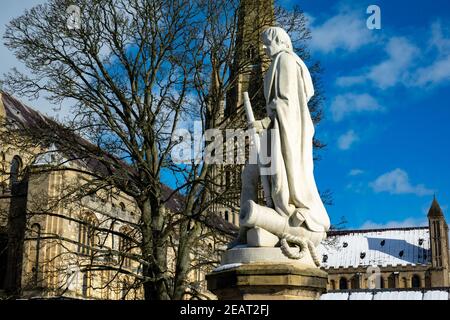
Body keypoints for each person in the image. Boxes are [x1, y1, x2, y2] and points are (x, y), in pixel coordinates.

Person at [237, 27, 330, 247]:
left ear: (280, 41)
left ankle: (283, 217)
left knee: (279, 184)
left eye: (266, 42)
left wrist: (262, 122)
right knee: (249, 176)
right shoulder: (276, 65)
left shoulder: (286, 61)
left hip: (282, 132)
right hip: (273, 131)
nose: (263, 47)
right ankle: (244, 231)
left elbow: (285, 104)